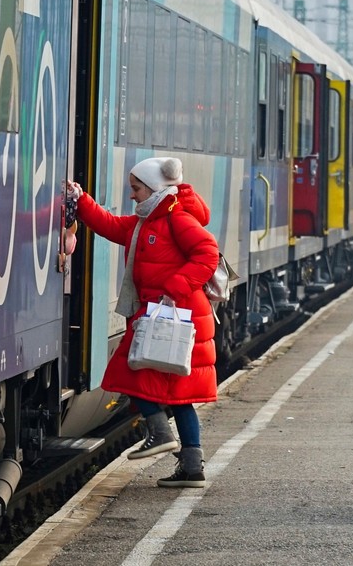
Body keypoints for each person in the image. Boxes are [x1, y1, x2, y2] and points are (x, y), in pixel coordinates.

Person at [65, 157, 219, 488]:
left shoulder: (176, 218)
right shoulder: (146, 222)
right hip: (169, 315)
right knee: (180, 396)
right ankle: (192, 468)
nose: (132, 195)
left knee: (126, 372)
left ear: (153, 188)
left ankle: (160, 433)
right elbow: (109, 225)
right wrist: (81, 200)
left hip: (175, 315)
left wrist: (173, 289)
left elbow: (208, 253)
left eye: (136, 188)